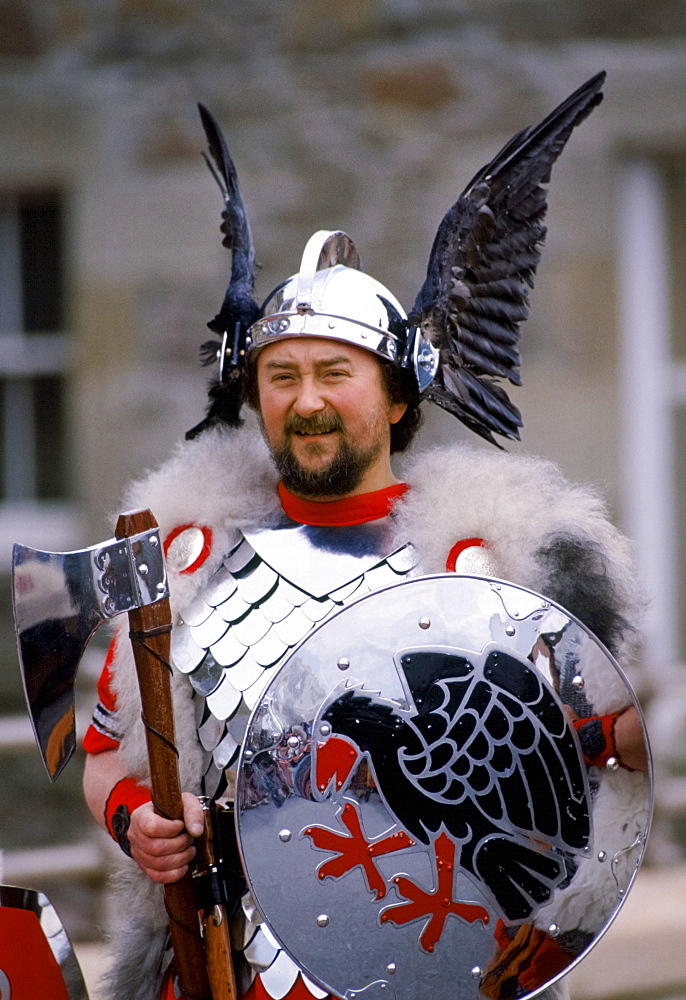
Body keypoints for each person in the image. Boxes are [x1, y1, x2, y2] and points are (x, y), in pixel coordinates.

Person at [82, 75, 647, 1000]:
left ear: (394, 395)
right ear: (251, 391)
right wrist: (136, 816)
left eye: (334, 373)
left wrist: (630, 733)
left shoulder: (499, 564)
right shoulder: (185, 563)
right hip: (227, 972)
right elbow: (110, 751)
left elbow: (599, 742)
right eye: (282, 375)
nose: (305, 401)